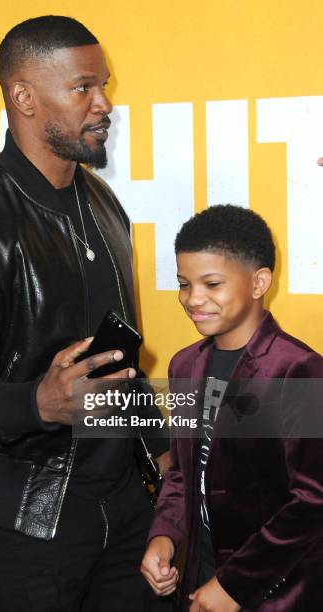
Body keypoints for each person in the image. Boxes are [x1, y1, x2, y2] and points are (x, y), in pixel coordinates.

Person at [0, 16, 171, 612]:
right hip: (31, 529)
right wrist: (39, 402)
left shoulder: (105, 205)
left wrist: (158, 447)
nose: (105, 103)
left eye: (103, 84)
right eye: (84, 87)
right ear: (23, 97)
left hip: (127, 508)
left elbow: (120, 357)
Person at [141, 205, 323, 611]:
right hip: (200, 577)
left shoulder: (298, 370)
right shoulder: (184, 364)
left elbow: (313, 501)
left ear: (259, 282)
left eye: (211, 283)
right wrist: (164, 535)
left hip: (278, 590)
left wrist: (233, 585)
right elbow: (185, 474)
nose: (193, 299)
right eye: (184, 284)